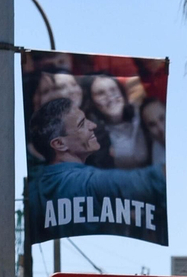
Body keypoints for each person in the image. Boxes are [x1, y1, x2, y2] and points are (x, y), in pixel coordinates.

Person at [25, 98, 168, 240]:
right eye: (82, 124)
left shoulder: (31, 192)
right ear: (59, 144)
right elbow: (153, 180)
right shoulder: (90, 183)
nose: (93, 125)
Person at [84, 75, 150, 169]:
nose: (110, 97)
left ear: (122, 93)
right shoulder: (92, 135)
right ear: (92, 102)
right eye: (101, 93)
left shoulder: (141, 116)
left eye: (113, 90)